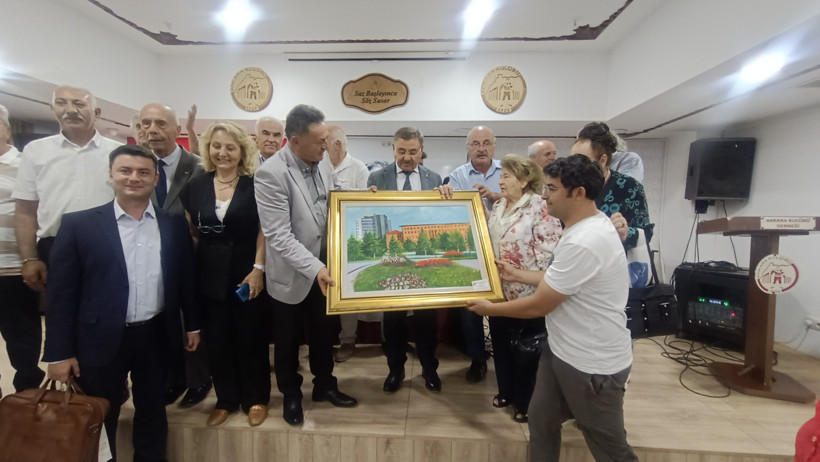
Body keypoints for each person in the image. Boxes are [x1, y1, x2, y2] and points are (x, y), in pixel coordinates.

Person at [467, 154, 638, 462]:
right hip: (560, 351)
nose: (545, 195)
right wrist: (518, 274)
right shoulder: (583, 225)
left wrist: (489, 309)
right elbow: (560, 279)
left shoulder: (585, 240)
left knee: (610, 449)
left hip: (591, 364)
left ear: (579, 193)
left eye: (553, 189)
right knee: (542, 421)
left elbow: (540, 304)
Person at [43, 144, 200, 461]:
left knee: (153, 409)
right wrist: (59, 352)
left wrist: (192, 325)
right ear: (110, 175)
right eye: (125, 171)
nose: (134, 178)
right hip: (97, 337)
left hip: (155, 334)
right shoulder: (78, 225)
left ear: (155, 178)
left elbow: (185, 279)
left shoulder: (172, 224)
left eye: (143, 172)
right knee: (100, 413)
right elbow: (60, 295)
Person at [255, 104, 358, 426]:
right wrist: (315, 268)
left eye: (326, 139)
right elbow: (279, 236)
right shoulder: (270, 174)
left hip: (325, 269)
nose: (327, 146)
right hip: (292, 273)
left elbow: (333, 197)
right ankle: (291, 394)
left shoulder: (322, 160)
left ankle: (325, 385)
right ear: (295, 141)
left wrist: (361, 199)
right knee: (287, 341)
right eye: (320, 141)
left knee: (323, 333)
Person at [180, 121, 271, 427]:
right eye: (217, 146)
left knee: (250, 336)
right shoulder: (196, 185)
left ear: (242, 151)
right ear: (208, 149)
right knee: (217, 339)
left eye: (230, 147)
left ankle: (256, 398)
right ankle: (226, 399)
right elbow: (192, 228)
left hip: (246, 271)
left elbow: (264, 230)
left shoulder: (255, 184)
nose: (223, 153)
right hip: (208, 273)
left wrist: (258, 269)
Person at [139, 102, 212, 409]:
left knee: (192, 321)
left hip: (190, 255)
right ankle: (172, 378)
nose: (152, 130)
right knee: (160, 322)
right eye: (145, 123)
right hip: (145, 257)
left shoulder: (198, 166)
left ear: (177, 129)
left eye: (160, 123)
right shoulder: (137, 165)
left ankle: (199, 379)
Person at [12, 86, 120, 292]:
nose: (70, 110)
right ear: (52, 108)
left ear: (97, 113)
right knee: (59, 306)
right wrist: (29, 258)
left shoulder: (118, 152)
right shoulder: (35, 150)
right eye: (61, 103)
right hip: (54, 245)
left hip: (107, 243)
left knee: (108, 304)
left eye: (79, 104)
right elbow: (25, 211)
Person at [367, 126, 444, 393]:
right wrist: (364, 200)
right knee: (393, 319)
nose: (407, 157)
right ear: (393, 149)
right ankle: (395, 370)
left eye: (412, 152)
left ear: (421, 151)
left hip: (424, 256)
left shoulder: (435, 178)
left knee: (426, 319)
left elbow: (439, 217)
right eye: (401, 151)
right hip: (392, 257)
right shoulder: (377, 178)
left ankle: (429, 368)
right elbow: (369, 215)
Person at [486, 154, 561, 423]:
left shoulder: (540, 207)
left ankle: (525, 402)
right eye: (501, 176)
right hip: (498, 292)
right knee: (501, 344)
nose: (500, 181)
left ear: (524, 179)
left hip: (528, 293)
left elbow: (549, 256)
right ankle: (505, 391)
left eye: (506, 176)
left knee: (527, 352)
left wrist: (535, 283)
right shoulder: (498, 206)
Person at [447, 125, 503, 383]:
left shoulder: (509, 171)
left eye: (486, 143)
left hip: (504, 251)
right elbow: (452, 212)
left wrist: (494, 196)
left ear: (494, 146)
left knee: (503, 308)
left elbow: (523, 201)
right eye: (475, 144)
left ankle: (504, 360)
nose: (481, 148)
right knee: (471, 311)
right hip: (473, 253)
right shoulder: (457, 176)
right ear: (468, 148)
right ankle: (477, 360)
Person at [0, 104, 45, 394]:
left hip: (14, 268)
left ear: (6, 128)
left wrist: (32, 258)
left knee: (23, 342)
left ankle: (26, 399)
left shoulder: (26, 165)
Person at [326, 125, 373, 362]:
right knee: (329, 292)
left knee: (349, 290)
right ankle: (329, 341)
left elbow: (364, 207)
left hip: (350, 241)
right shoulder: (320, 167)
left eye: (324, 142)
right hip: (324, 240)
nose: (321, 147)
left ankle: (348, 340)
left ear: (336, 144)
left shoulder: (359, 168)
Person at [572, 122, 653, 250]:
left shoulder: (629, 187)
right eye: (572, 160)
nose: (575, 167)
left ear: (603, 160)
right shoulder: (569, 185)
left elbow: (646, 233)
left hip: (613, 258)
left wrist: (625, 233)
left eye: (582, 161)